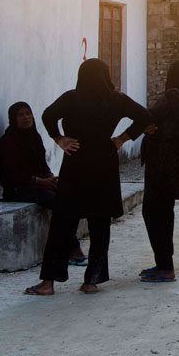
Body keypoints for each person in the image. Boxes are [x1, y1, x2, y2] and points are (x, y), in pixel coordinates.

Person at [24, 59, 153, 296]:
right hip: (104, 163)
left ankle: (48, 282)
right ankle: (91, 280)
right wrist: (122, 139)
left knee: (63, 223)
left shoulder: (72, 98)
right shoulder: (116, 99)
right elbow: (144, 116)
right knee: (100, 223)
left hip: (77, 162)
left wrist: (59, 139)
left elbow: (48, 115)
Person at [0, 101, 86, 265]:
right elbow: (12, 174)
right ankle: (72, 249)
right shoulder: (7, 142)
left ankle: (67, 248)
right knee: (57, 202)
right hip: (17, 190)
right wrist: (40, 181)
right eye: (21, 115)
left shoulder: (34, 137)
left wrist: (51, 179)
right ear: (13, 118)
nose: (26, 118)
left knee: (67, 194)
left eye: (28, 113)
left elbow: (42, 164)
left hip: (37, 186)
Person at [139, 60, 179, 284]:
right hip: (173, 167)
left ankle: (165, 266)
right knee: (164, 214)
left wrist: (143, 124)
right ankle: (164, 263)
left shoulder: (173, 95)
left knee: (153, 213)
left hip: (161, 165)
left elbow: (149, 114)